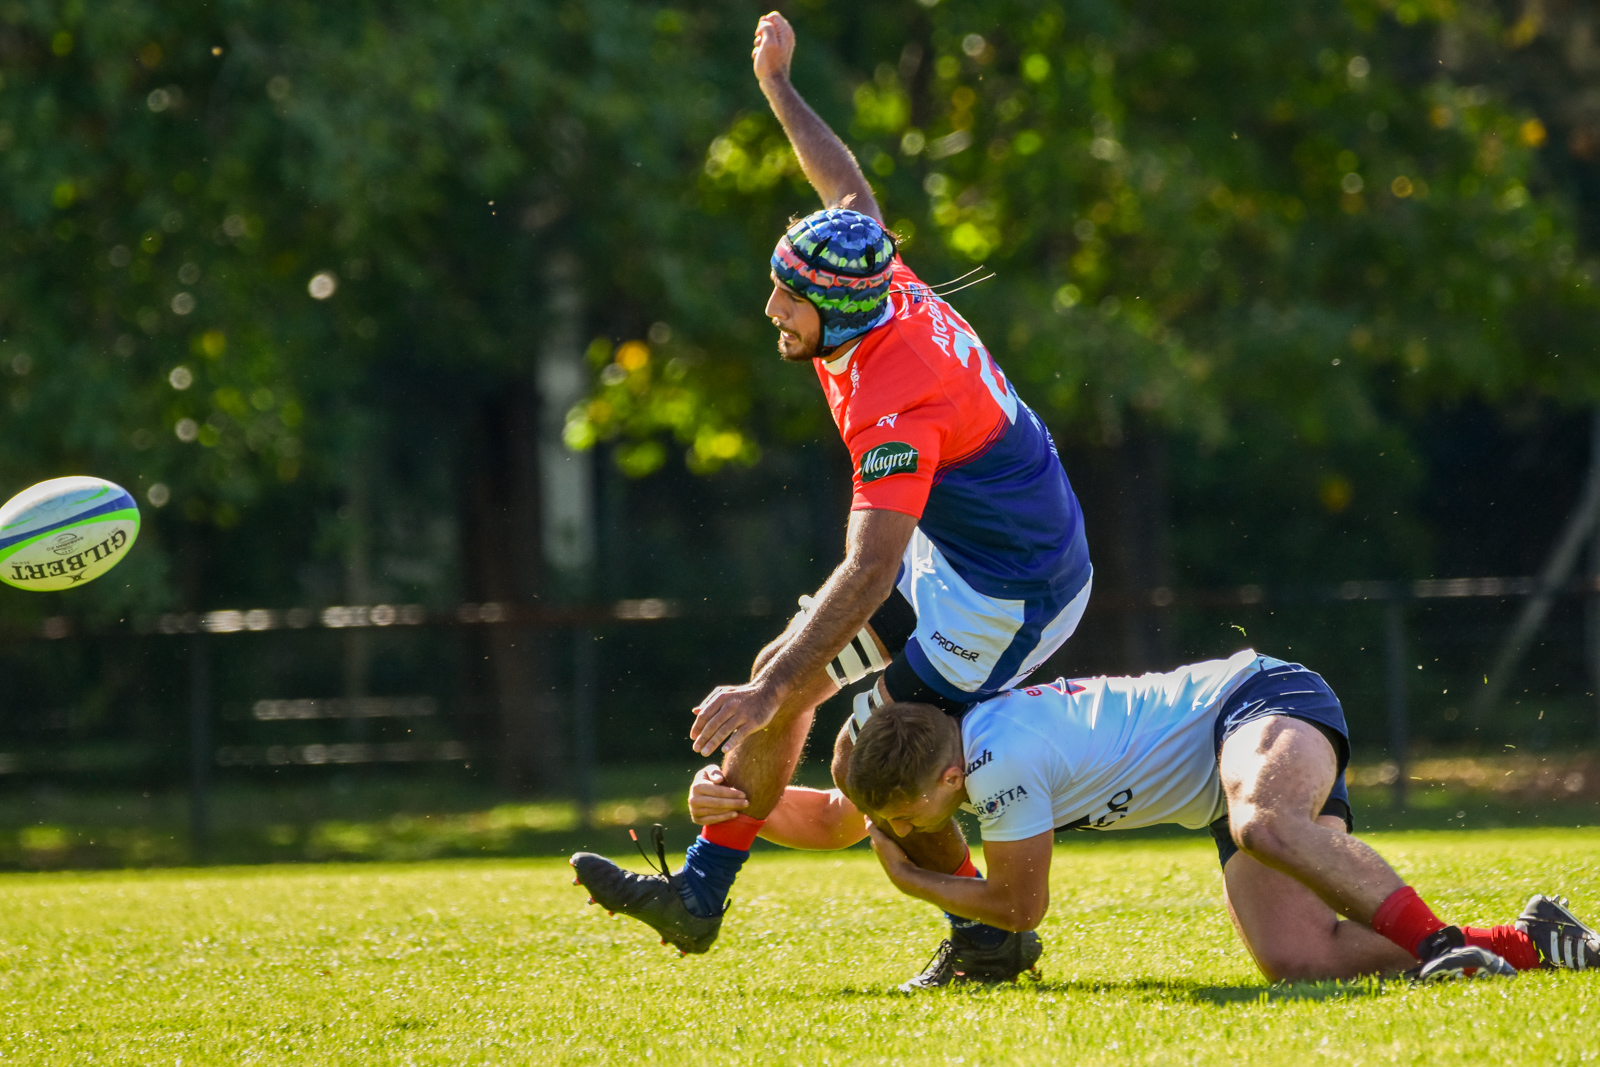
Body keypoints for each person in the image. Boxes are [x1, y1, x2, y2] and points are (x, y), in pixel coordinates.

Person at [572, 10, 1092, 985]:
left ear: (840, 311)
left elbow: (869, 564)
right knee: (784, 668)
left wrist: (770, 689)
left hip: (1007, 594)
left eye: (788, 299)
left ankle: (991, 938)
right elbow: (844, 187)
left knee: (878, 754)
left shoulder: (897, 401)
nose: (772, 307)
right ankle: (698, 895)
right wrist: (777, 86)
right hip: (962, 558)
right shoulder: (870, 274)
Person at [692, 650, 1600, 986]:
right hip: (1219, 776)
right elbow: (830, 818)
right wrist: (730, 803)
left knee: (1263, 822)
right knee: (1297, 960)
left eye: (901, 817)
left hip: (1257, 701)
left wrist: (912, 877)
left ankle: (1441, 948)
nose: (894, 828)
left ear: (946, 776)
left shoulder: (999, 759)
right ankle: (1524, 940)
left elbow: (1021, 907)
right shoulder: (937, 755)